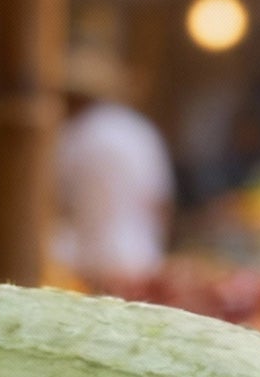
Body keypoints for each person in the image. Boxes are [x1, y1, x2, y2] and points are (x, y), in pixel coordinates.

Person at [52, 50, 174, 288]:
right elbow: (161, 205)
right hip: (142, 259)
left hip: (89, 263)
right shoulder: (139, 129)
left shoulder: (73, 135)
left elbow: (56, 202)